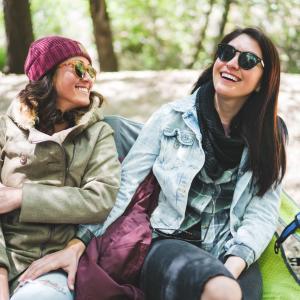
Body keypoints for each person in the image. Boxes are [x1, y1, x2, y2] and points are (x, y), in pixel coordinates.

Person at [19, 27, 287, 300]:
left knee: (231, 291)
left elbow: (262, 212)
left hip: (231, 252)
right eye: (227, 53)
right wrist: (79, 244)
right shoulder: (172, 117)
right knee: (223, 291)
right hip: (171, 242)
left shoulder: (271, 135)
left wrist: (233, 263)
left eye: (248, 60)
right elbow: (125, 184)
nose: (232, 63)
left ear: (263, 81)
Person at [0, 36, 121, 300]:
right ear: (46, 74)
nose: (87, 78)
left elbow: (101, 199)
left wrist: (22, 197)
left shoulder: (98, 133)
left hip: (50, 264)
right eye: (78, 68)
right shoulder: (5, 128)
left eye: (90, 71)